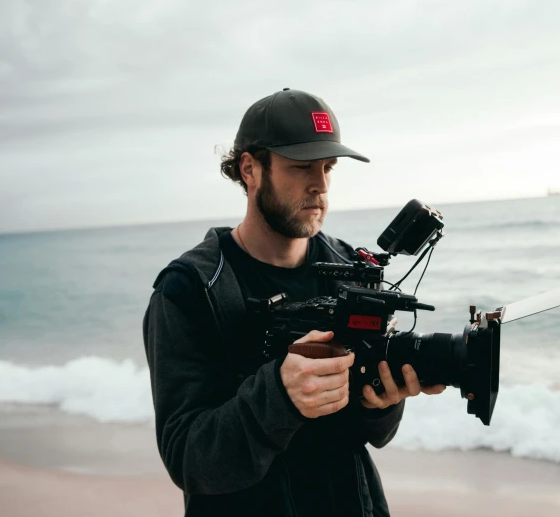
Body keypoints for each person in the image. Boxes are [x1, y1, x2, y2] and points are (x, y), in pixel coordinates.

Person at [142, 88, 446, 517]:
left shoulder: (352, 271)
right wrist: (280, 398)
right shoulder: (191, 289)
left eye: (327, 167)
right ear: (250, 169)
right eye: (301, 166)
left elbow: (370, 431)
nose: (319, 184)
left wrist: (383, 401)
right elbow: (189, 459)